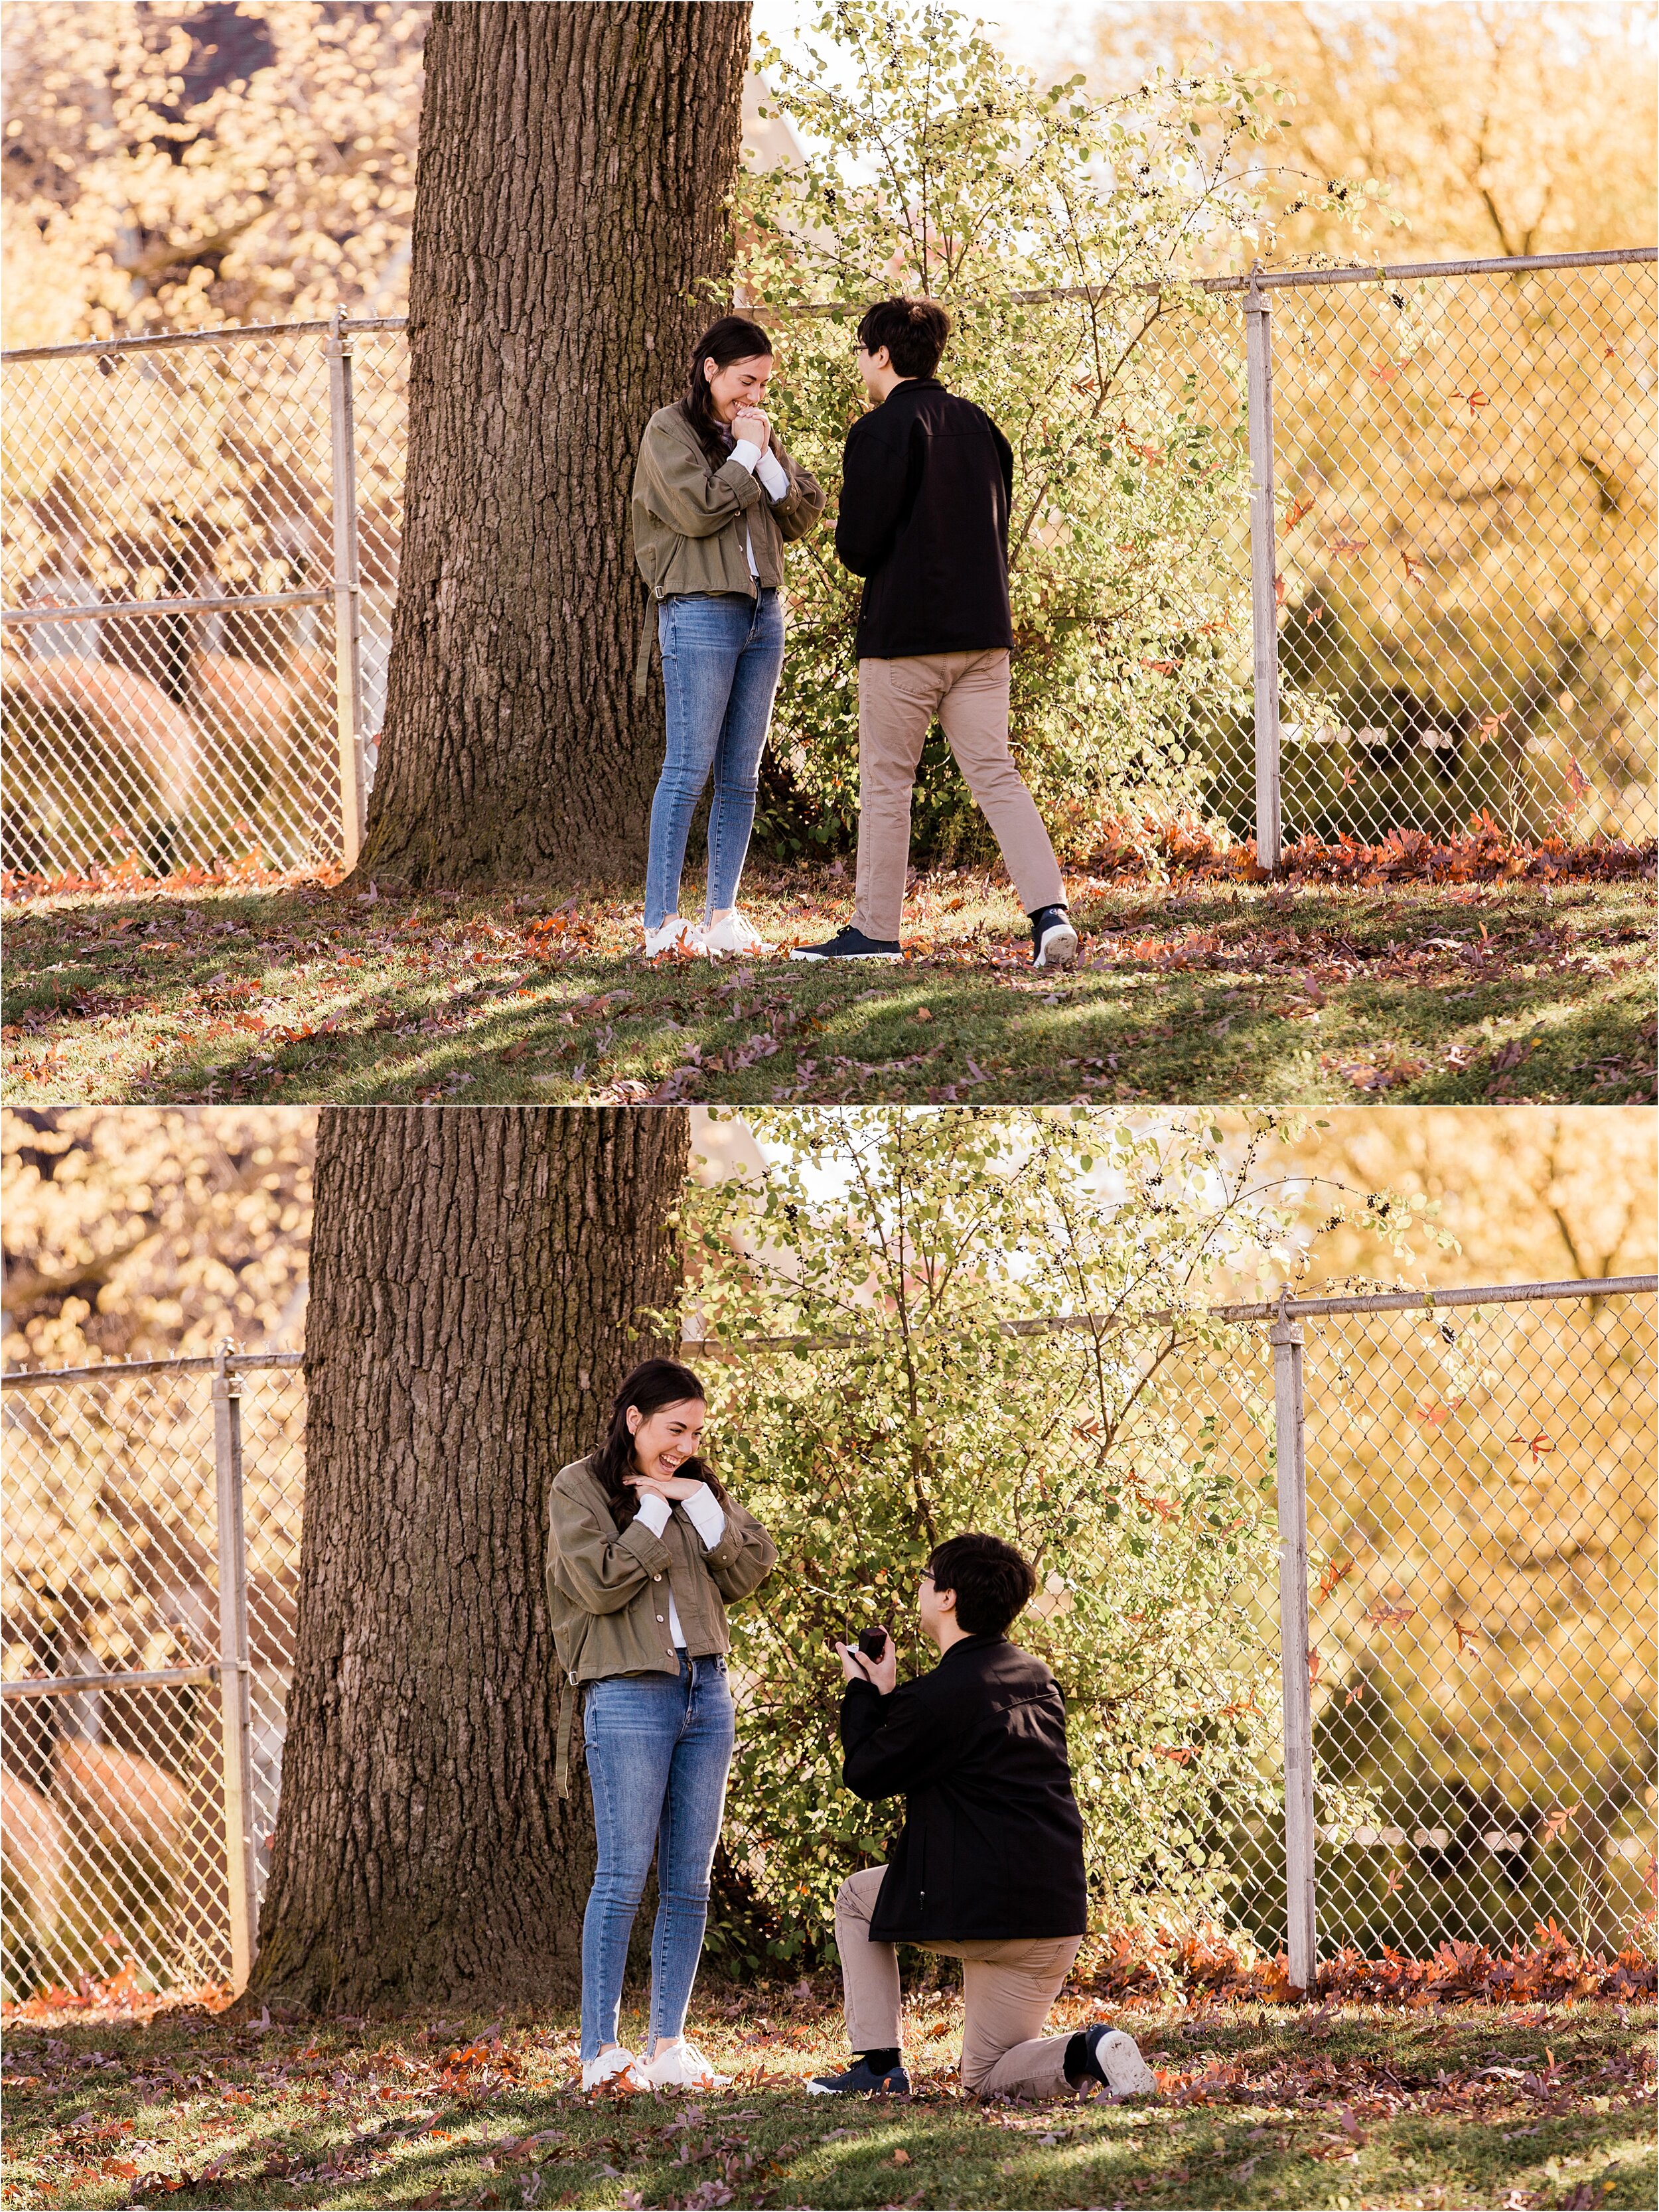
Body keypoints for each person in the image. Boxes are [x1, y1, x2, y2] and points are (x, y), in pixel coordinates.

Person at [808, 1533, 1156, 2104]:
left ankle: (878, 2065)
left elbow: (868, 1774)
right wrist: (893, 1695)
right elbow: (946, 1743)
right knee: (988, 2076)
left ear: (946, 1598)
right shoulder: (1037, 1679)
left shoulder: (940, 1696)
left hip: (979, 1903)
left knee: (855, 1898)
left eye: (926, 1577)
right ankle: (1090, 2048)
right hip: (1051, 1914)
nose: (920, 1587)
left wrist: (861, 1691)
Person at [792, 299, 1078, 971]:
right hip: (982, 633)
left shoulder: (878, 430)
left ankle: (874, 932)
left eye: (862, 351)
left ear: (882, 355)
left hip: (904, 640)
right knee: (997, 776)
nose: (861, 363)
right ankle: (1049, 914)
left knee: (889, 782)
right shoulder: (980, 426)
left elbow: (859, 549)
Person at [547, 1358, 778, 2093]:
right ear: (634, 1419)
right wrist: (653, 1511)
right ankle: (600, 2052)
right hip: (627, 1695)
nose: (684, 1443)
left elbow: (747, 1571)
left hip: (704, 1691)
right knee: (621, 1874)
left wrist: (696, 1503)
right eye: (673, 1429)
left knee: (690, 1878)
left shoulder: (696, 1486)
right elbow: (600, 1583)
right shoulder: (576, 1488)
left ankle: (670, 2044)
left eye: (695, 1431)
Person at [630, 317, 826, 960]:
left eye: (764, 385)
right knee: (687, 769)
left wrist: (762, 452)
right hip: (699, 613)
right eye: (746, 381)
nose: (755, 396)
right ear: (710, 369)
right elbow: (697, 508)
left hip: (761, 613)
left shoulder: (755, 433)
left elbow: (800, 510)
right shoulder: (668, 430)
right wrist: (746, 453)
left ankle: (721, 916)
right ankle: (660, 922)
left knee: (740, 775)